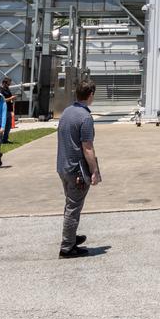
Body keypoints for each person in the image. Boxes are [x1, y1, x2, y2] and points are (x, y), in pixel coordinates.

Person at [55, 78, 101, 259]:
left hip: (63, 166)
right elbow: (87, 147)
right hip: (77, 171)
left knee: (70, 204)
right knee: (73, 207)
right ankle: (67, 247)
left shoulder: (67, 112)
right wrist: (95, 170)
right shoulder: (85, 117)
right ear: (91, 95)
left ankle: (71, 237)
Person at [0, 76, 13, 145]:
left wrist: (11, 98)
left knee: (8, 125)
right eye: (8, 84)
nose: (9, 85)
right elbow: (2, 100)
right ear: (4, 83)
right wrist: (11, 98)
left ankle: (5, 139)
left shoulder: (7, 89)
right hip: (4, 110)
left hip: (9, 109)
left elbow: (9, 97)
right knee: (2, 125)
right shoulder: (0, 90)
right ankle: (0, 140)